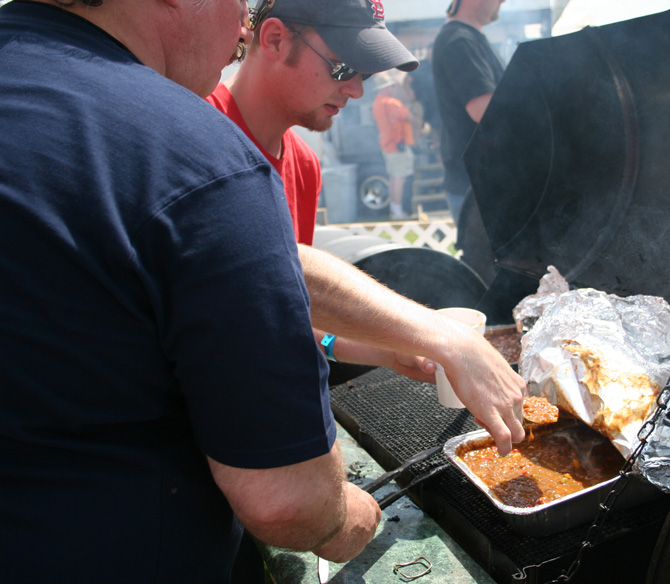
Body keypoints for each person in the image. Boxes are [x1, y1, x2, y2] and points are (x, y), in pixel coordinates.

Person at [0, 2, 519, 584]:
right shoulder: (200, 146)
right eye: (344, 67)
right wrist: (343, 515)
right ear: (274, 39)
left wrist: (387, 341)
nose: (241, 26)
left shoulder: (287, 165)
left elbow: (259, 297)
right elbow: (287, 501)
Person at [206, 0, 525, 450]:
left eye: (366, 74)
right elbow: (269, 265)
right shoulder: (197, 134)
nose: (356, 90)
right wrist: (444, 337)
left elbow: (279, 307)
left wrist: (381, 350)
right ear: (275, 39)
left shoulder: (305, 165)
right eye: (343, 67)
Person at [432, 0, 507, 226]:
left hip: (483, 182)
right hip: (477, 186)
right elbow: (484, 111)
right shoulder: (460, 41)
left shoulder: (468, 38)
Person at [372, 71, 418, 219]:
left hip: (387, 145)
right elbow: (409, 117)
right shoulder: (391, 103)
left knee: (393, 178)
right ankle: (397, 212)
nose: (392, 88)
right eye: (390, 86)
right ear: (385, 88)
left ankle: (395, 209)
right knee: (399, 178)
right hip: (398, 146)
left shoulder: (376, 103)